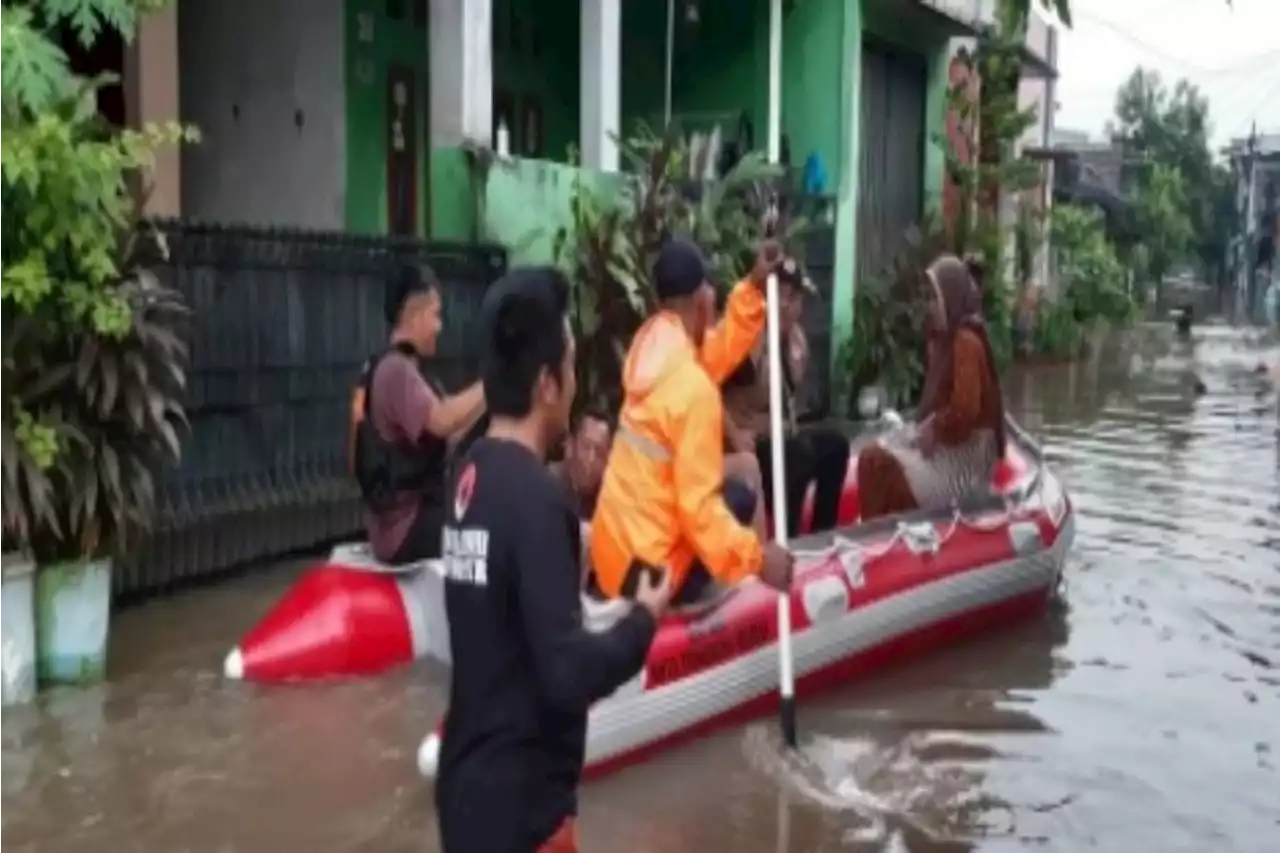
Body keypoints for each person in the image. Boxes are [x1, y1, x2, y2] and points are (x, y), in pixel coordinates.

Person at [434, 266, 670, 853]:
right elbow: (566, 675)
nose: (573, 379)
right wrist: (642, 619)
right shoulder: (539, 499)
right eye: (568, 364)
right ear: (546, 384)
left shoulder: (468, 476)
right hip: (524, 814)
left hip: (465, 794)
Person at [589, 238, 795, 606]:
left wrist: (753, 286)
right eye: (710, 290)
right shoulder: (693, 389)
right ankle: (684, 610)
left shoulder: (650, 346)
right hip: (647, 577)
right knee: (739, 498)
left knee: (722, 493)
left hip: (613, 560)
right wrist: (759, 559)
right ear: (701, 299)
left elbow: (717, 350)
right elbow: (700, 512)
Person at [348, 263, 486, 564]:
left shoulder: (404, 370)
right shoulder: (396, 371)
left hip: (407, 523)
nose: (440, 326)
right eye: (436, 314)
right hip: (406, 528)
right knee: (490, 530)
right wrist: (494, 382)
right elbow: (442, 419)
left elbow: (451, 432)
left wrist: (494, 401)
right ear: (415, 314)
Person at [857, 254, 1006, 520]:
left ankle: (875, 537)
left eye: (935, 298)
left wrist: (935, 427)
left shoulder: (965, 342)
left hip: (962, 462)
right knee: (876, 454)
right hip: (948, 448)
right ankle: (883, 530)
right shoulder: (943, 341)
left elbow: (965, 410)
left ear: (950, 297)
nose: (931, 306)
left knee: (874, 462)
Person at [722, 256, 852, 536]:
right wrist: (733, 435)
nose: (787, 305)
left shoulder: (797, 342)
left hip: (780, 439)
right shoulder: (746, 337)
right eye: (780, 295)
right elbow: (708, 388)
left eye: (794, 297)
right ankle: (787, 539)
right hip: (747, 443)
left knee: (835, 445)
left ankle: (821, 535)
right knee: (797, 456)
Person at [548, 407, 613, 521]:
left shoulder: (608, 501)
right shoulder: (547, 484)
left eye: (600, 452)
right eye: (586, 447)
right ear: (569, 446)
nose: (591, 458)